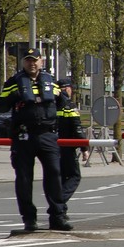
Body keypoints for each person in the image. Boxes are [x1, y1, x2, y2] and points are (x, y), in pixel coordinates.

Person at [0, 49, 70, 233]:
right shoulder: (13, 82)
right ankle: (29, 219)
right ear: (23, 62)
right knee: (24, 179)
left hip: (47, 135)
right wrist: (15, 95)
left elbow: (63, 102)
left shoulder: (50, 81)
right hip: (24, 137)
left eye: (35, 60)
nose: (32, 64)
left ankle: (58, 216)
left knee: (54, 174)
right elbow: (0, 106)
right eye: (28, 60)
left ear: (41, 61)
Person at [56, 76, 83, 205]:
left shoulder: (51, 105)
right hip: (67, 147)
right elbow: (77, 128)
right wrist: (84, 148)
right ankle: (59, 202)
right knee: (74, 176)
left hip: (52, 147)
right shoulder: (69, 106)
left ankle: (60, 208)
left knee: (60, 176)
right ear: (67, 89)